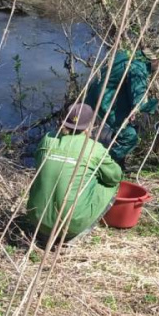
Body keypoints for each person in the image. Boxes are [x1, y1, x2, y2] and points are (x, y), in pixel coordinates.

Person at [26, 103, 122, 242]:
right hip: (70, 226)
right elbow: (115, 177)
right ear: (91, 125)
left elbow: (38, 164)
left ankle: (46, 229)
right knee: (112, 185)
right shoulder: (95, 149)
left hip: (36, 218)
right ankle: (78, 231)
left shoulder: (47, 140)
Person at [84, 43, 159, 169]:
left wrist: (130, 109)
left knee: (124, 129)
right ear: (156, 59)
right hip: (104, 101)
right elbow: (141, 105)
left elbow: (122, 85)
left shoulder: (128, 54)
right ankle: (101, 167)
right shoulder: (138, 70)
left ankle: (118, 165)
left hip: (98, 94)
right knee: (130, 137)